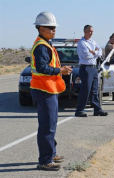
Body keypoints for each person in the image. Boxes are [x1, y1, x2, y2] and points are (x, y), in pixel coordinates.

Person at [31, 12, 72, 171]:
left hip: (49, 89)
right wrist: (59, 70)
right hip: (43, 89)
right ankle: (45, 160)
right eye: (51, 28)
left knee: (51, 124)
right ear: (41, 28)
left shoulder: (46, 43)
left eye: (54, 28)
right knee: (47, 126)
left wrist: (60, 70)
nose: (54, 30)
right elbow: (41, 68)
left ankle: (51, 153)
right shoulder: (41, 46)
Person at [75, 25, 108, 117]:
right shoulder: (82, 43)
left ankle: (97, 109)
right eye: (89, 31)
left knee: (94, 90)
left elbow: (100, 51)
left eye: (92, 31)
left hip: (93, 67)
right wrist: (95, 52)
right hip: (86, 68)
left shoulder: (92, 42)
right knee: (86, 89)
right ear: (85, 31)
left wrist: (94, 52)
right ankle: (79, 110)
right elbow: (86, 55)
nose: (91, 33)